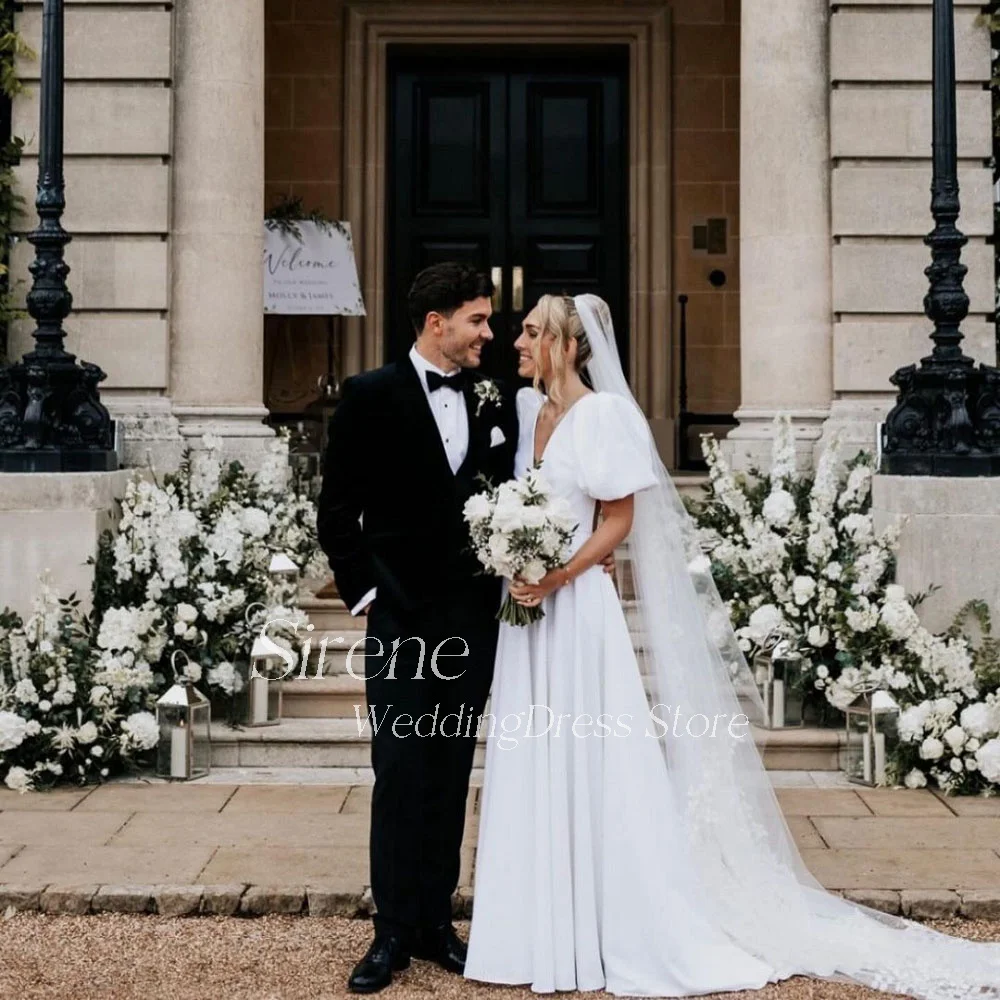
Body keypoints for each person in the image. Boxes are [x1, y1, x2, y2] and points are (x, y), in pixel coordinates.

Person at [464, 292, 1000, 999]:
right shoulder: (531, 414)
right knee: (535, 749)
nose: (517, 342)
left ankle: (607, 920)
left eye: (532, 332)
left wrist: (558, 573)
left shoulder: (606, 415)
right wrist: (514, 559)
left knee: (592, 753)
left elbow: (619, 518)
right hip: (527, 612)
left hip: (575, 607)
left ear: (566, 344)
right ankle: (537, 926)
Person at [317, 262, 518, 993]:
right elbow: (336, 511)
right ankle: (391, 932)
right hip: (401, 618)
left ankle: (438, 923)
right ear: (438, 324)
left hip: (471, 618)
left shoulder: (497, 397)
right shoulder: (370, 397)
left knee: (450, 769)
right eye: (478, 321)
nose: (488, 335)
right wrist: (367, 593)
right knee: (399, 772)